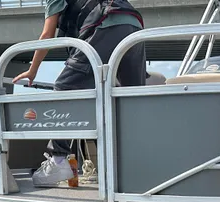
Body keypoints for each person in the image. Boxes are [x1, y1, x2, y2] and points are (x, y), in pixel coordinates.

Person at [13, 0, 146, 187]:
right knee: (131, 98)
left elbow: (47, 34)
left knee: (64, 87)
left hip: (105, 22)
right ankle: (139, 166)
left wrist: (32, 70)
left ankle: (58, 161)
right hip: (133, 24)